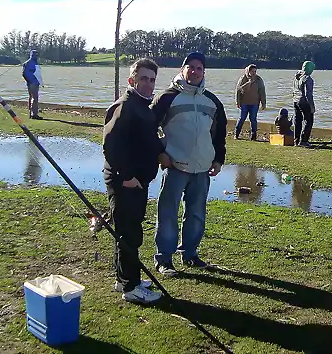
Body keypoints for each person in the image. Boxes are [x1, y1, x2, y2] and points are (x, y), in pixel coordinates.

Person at [151, 51, 227, 277]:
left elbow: (219, 134)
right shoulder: (167, 97)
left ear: (204, 72)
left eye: (199, 68)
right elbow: (149, 128)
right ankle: (164, 259)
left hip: (202, 168)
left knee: (195, 213)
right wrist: (160, 153)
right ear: (182, 70)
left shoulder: (212, 101)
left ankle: (190, 254)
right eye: (190, 67)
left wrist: (218, 159)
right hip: (175, 166)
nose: (194, 72)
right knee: (167, 213)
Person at [103, 58, 164, 304]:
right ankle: (131, 287)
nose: (149, 84)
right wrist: (126, 177)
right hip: (125, 183)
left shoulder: (142, 106)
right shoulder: (126, 106)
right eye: (143, 79)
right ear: (132, 80)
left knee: (128, 231)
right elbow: (111, 145)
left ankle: (123, 279)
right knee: (129, 234)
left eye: (152, 80)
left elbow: (144, 140)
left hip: (137, 181)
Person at [234, 64, 266, 140]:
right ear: (248, 71)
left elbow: (262, 92)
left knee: (253, 119)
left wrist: (263, 103)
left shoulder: (258, 79)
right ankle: (236, 134)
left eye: (255, 71)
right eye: (252, 71)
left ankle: (253, 136)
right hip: (244, 103)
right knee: (242, 118)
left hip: (254, 103)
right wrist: (237, 102)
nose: (254, 73)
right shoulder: (243, 78)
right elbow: (238, 90)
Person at [292, 60, 316, 147]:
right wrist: (312, 107)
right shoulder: (308, 79)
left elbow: (294, 90)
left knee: (297, 120)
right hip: (304, 102)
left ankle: (296, 140)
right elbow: (308, 94)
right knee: (308, 120)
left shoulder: (296, 77)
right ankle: (304, 141)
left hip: (296, 100)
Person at [22, 50, 43, 119]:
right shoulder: (28, 63)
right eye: (35, 55)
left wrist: (40, 82)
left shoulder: (35, 62)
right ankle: (34, 114)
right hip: (32, 83)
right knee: (35, 98)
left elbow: (38, 73)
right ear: (32, 55)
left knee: (32, 97)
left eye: (37, 55)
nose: (36, 56)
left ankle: (31, 113)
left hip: (35, 83)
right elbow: (24, 73)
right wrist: (29, 81)